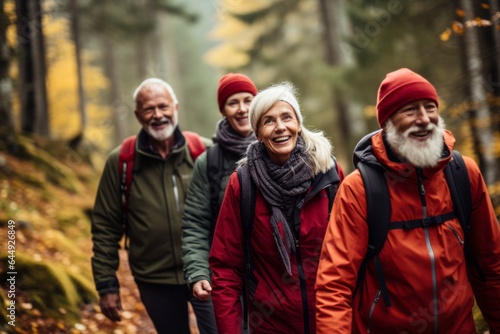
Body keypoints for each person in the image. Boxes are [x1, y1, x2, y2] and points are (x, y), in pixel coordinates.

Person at [315, 68, 500, 333]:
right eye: (410, 110)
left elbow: (491, 267)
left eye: (430, 107)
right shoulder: (360, 189)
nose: (424, 119)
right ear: (387, 122)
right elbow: (334, 285)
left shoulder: (463, 174)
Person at [209, 82, 345, 334]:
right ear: (258, 132)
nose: (280, 127)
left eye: (286, 117)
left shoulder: (329, 174)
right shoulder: (243, 184)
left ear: (298, 123)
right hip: (271, 324)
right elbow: (225, 267)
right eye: (268, 121)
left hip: (330, 320)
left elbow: (354, 251)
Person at [91, 78, 210, 334]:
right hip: (155, 280)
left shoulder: (204, 152)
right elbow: (104, 227)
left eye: (163, 106)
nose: (158, 115)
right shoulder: (121, 161)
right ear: (137, 115)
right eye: (148, 109)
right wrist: (107, 286)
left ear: (176, 107)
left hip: (208, 273)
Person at [181, 73, 258, 334]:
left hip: (274, 278)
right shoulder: (209, 162)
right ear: (223, 110)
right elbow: (195, 223)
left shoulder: (279, 147)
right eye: (232, 102)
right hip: (227, 279)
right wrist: (198, 272)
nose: (242, 109)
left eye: (248, 100)